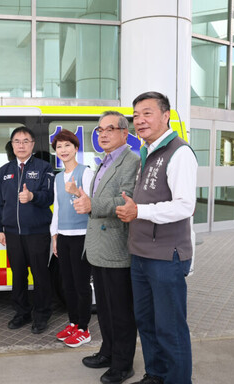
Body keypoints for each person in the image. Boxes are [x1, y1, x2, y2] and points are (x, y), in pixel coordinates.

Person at [116, 92, 197, 384]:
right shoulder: (147, 152)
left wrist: (140, 210)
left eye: (147, 113)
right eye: (136, 115)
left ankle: (177, 379)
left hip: (166, 257)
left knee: (170, 327)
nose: (139, 120)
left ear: (166, 115)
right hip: (141, 254)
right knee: (147, 323)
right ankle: (156, 374)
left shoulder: (179, 152)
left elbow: (186, 205)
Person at [74, 111, 139, 384]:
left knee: (121, 311)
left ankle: (123, 365)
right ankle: (108, 352)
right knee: (105, 307)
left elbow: (127, 199)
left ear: (125, 133)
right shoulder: (103, 162)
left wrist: (92, 205)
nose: (102, 134)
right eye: (100, 129)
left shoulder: (131, 161)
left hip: (116, 247)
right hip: (99, 247)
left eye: (109, 129)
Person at [0, 126, 55, 334]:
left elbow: (49, 197)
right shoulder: (5, 171)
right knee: (18, 274)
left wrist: (32, 197)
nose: (21, 145)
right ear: (12, 145)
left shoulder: (45, 168)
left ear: (32, 144)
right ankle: (22, 312)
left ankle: (42, 315)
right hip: (12, 233)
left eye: (25, 141)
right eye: (17, 141)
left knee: (40, 275)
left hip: (37, 232)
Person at [50, 129, 94, 348]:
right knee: (67, 284)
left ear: (76, 148)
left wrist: (77, 192)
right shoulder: (58, 178)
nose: (63, 150)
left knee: (81, 284)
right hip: (64, 237)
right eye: (59, 147)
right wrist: (54, 235)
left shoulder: (85, 172)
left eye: (67, 145)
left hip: (82, 236)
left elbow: (92, 203)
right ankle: (73, 322)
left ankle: (84, 329)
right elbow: (57, 208)